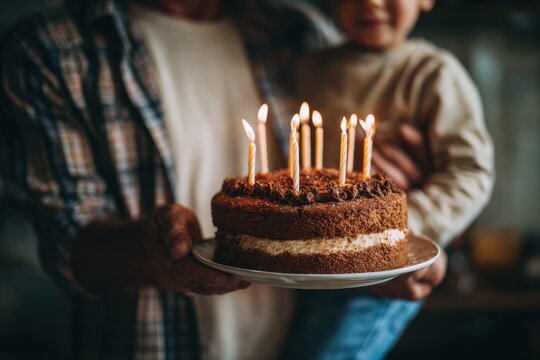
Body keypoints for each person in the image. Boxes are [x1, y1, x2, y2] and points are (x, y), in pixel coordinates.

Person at [0, 0, 448, 359]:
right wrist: (152, 251)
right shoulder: (50, 50)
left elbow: (365, 166)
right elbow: (68, 241)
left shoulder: (304, 32)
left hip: (310, 342)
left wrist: (405, 221)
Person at [283, 0, 494, 358]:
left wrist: (407, 223)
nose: (372, 3)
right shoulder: (306, 68)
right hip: (307, 264)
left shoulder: (433, 74)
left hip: (384, 274)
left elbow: (471, 172)